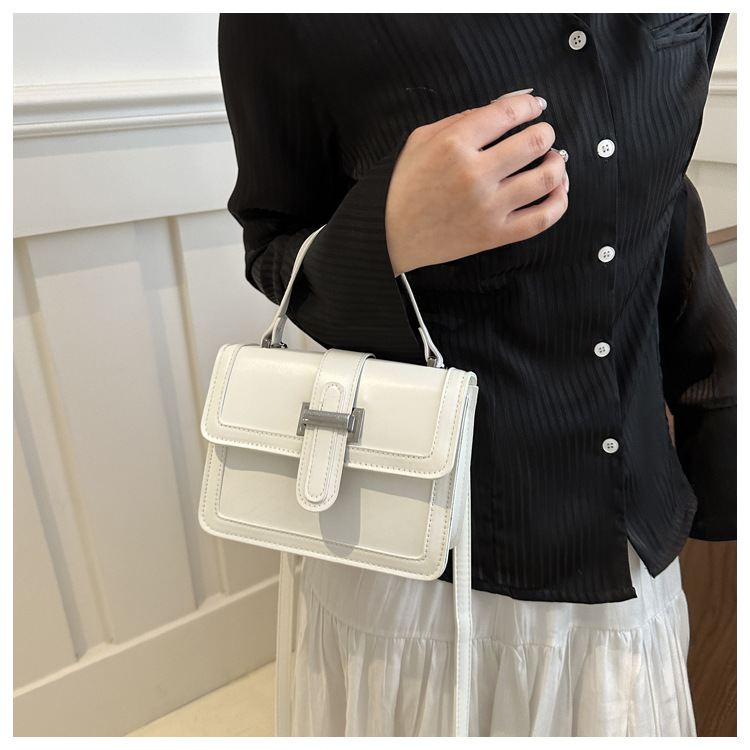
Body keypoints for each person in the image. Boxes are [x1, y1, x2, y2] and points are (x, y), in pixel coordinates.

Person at [218, 13, 736, 736]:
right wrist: (386, 231)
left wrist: (720, 427)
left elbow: (662, 202)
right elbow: (274, 243)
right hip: (415, 578)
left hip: (628, 548)